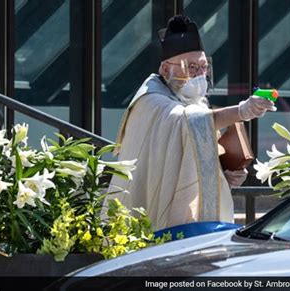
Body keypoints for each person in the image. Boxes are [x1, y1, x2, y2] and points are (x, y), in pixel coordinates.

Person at [107, 15, 276, 230]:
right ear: (166, 69)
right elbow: (189, 123)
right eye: (191, 67)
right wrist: (241, 111)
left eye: (203, 67)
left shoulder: (194, 101)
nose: (199, 75)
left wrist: (224, 175)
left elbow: (192, 153)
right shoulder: (150, 100)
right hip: (150, 205)